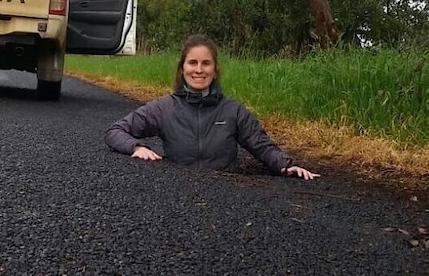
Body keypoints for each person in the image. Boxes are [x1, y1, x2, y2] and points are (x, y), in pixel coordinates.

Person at [104, 34, 320, 180]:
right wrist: (137, 147)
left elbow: (261, 145)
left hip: (227, 198)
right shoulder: (163, 108)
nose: (199, 70)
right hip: (177, 195)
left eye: (206, 63)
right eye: (193, 63)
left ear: (215, 70)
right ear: (182, 69)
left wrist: (285, 166)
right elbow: (115, 132)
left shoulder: (233, 111)